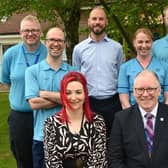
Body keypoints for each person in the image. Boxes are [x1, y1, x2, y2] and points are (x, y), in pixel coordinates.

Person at [25, 27, 78, 168]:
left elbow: (76, 102)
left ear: (65, 43)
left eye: (59, 40)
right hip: (42, 138)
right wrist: (64, 98)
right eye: (52, 40)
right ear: (46, 42)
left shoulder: (74, 72)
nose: (56, 43)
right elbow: (34, 104)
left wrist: (44, 93)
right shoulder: (32, 72)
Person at [1, 15, 47, 168]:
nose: (30, 33)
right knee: (23, 160)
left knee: (47, 159)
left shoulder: (49, 53)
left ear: (40, 32)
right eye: (26, 30)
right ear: (20, 33)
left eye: (34, 30)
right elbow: (6, 80)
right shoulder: (10, 54)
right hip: (20, 118)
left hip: (45, 115)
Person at [72, 6, 123, 137]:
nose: (97, 22)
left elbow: (120, 75)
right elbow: (76, 79)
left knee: (114, 142)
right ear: (89, 22)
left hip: (113, 102)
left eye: (101, 19)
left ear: (106, 22)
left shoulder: (117, 48)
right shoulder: (78, 49)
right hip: (90, 102)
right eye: (94, 19)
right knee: (91, 143)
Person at [43, 71, 107, 168]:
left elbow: (99, 160)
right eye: (68, 93)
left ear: (85, 94)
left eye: (78, 92)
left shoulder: (97, 122)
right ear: (62, 95)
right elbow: (52, 161)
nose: (73, 97)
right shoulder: (51, 123)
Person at [108, 70, 168, 168]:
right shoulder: (121, 119)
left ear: (159, 90)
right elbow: (114, 159)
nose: (145, 94)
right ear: (134, 92)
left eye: (150, 89)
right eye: (140, 89)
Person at [118, 28, 168, 109]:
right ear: (134, 43)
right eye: (140, 42)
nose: (144, 45)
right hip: (134, 114)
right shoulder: (125, 68)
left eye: (147, 42)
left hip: (159, 114)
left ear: (152, 43)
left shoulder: (165, 67)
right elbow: (124, 99)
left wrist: (164, 115)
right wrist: (132, 117)